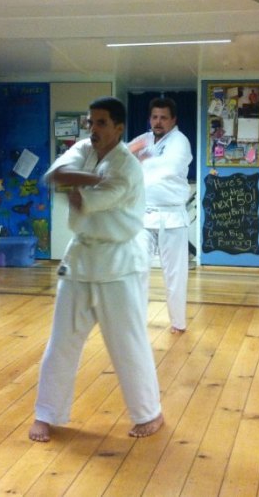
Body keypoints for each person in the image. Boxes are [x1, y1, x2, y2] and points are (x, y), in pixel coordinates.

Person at [29, 96, 164, 442]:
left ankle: (149, 413)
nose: (93, 129)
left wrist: (77, 181)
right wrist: (85, 177)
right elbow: (53, 175)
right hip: (80, 258)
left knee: (127, 343)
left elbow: (80, 198)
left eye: (101, 123)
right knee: (61, 341)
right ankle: (46, 413)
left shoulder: (127, 168)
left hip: (119, 262)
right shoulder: (85, 149)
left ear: (119, 128)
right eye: (91, 122)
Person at [128, 97, 193, 333]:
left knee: (175, 274)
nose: (158, 122)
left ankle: (178, 323)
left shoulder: (180, 141)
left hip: (172, 217)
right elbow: (119, 158)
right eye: (154, 117)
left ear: (173, 120)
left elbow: (169, 168)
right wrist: (132, 154)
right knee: (137, 269)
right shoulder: (144, 139)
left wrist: (140, 160)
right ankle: (135, 321)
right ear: (149, 118)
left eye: (163, 117)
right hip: (143, 215)